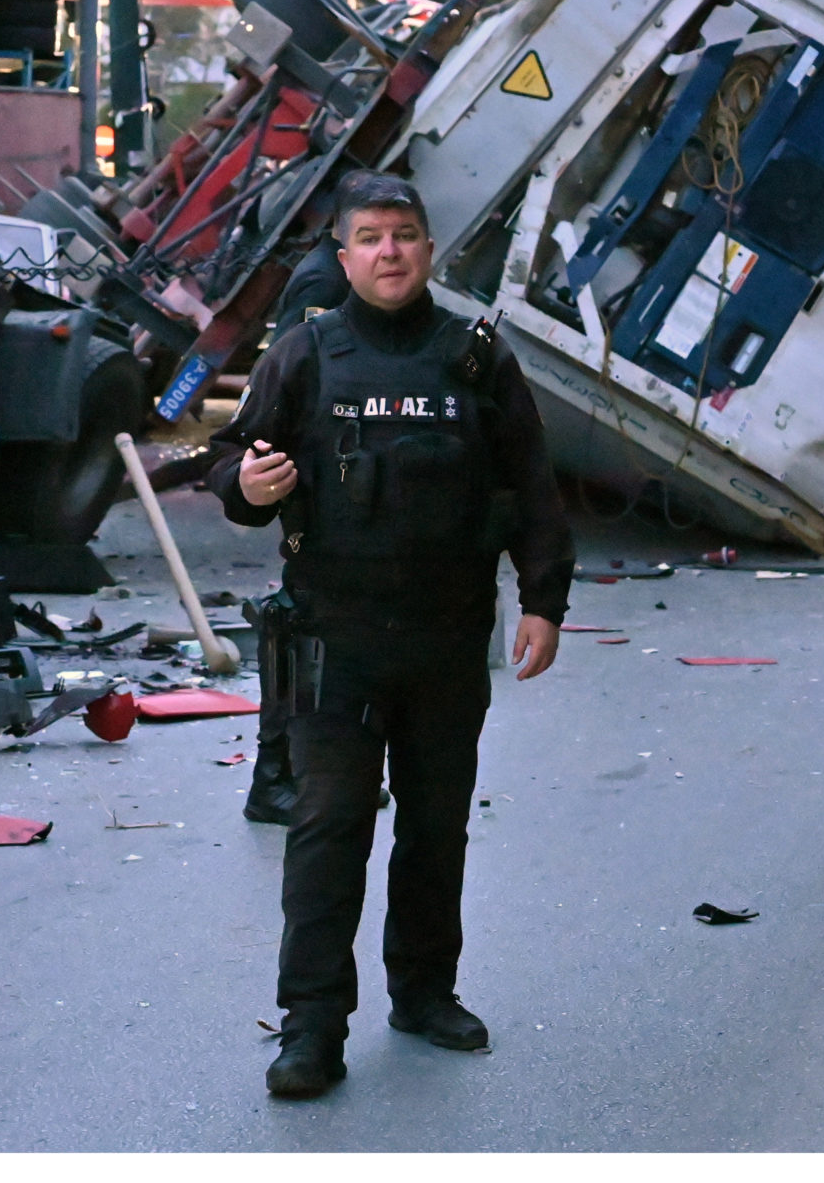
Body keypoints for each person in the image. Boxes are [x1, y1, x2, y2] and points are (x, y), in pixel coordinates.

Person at [207, 173, 574, 1099]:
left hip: (449, 639)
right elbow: (231, 463)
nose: (389, 252)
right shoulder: (306, 353)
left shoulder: (476, 359)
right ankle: (312, 1027)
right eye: (369, 237)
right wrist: (245, 490)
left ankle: (424, 991)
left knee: (436, 826)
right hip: (334, 638)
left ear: (428, 246)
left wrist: (543, 600)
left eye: (404, 234)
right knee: (327, 830)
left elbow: (533, 486)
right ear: (344, 254)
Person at [241, 183, 365, 826]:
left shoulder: (336, 274)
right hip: (319, 490)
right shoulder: (321, 286)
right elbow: (295, 385)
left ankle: (319, 772)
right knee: (300, 638)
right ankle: (276, 778)